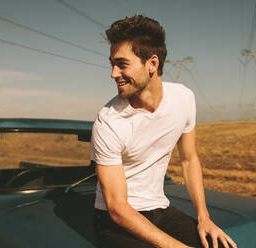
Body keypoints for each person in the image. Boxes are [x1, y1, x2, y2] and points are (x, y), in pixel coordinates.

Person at [90, 15, 237, 248]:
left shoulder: (184, 98)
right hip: (116, 221)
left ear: (152, 64)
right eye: (112, 64)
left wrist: (204, 217)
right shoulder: (109, 122)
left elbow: (189, 160)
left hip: (161, 209)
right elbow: (117, 209)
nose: (113, 73)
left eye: (122, 64)